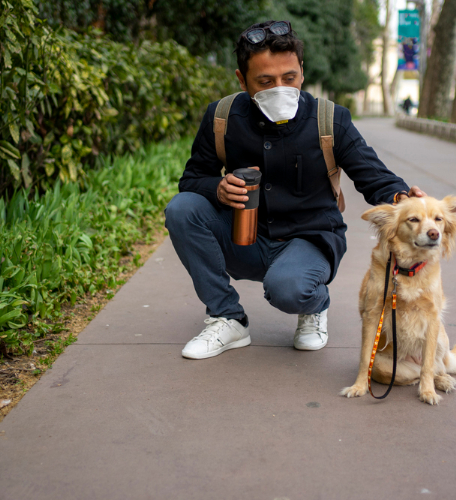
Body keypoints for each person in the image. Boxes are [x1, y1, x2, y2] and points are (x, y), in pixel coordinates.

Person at [165, 20, 425, 360]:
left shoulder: (330, 120)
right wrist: (218, 188)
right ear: (242, 80)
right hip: (246, 239)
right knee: (181, 208)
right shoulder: (223, 117)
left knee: (288, 289)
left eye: (289, 78)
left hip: (311, 240)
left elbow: (373, 176)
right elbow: (192, 179)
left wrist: (404, 199)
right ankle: (226, 317)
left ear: (302, 71)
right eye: (265, 81)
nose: (280, 88)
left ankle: (314, 305)